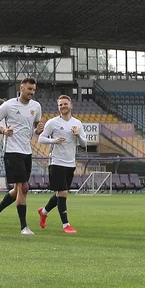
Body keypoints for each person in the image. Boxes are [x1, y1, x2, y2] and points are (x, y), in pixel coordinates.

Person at [0, 78, 43, 236]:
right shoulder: (8, 105)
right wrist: (4, 131)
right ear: (22, 88)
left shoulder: (36, 106)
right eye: (29, 89)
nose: (31, 92)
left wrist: (39, 129)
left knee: (18, 189)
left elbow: (36, 130)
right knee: (24, 188)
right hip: (12, 152)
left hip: (27, 152)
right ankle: (24, 227)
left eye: (33, 90)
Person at [37, 95, 86, 234]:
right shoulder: (52, 122)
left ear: (71, 106)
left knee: (61, 193)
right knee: (63, 193)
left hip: (70, 163)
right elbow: (41, 138)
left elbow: (84, 143)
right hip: (56, 162)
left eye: (65, 104)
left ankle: (44, 211)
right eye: (60, 105)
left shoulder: (77, 123)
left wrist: (78, 135)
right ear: (58, 107)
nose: (63, 106)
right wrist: (54, 141)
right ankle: (66, 225)